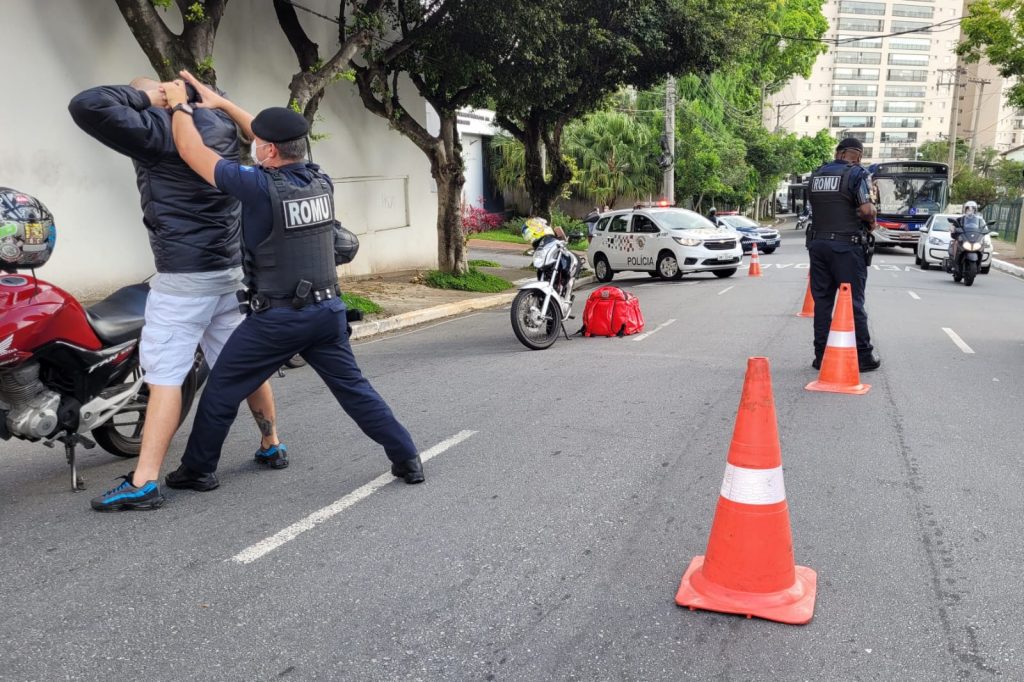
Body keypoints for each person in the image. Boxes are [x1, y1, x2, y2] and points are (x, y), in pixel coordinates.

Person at [159, 70, 423, 494]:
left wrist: (177, 104)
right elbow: (266, 137)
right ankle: (406, 456)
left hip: (279, 318)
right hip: (327, 312)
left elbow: (192, 152)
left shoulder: (258, 186)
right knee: (355, 391)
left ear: (266, 151)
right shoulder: (319, 179)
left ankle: (197, 470)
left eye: (259, 145)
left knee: (222, 390)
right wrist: (223, 103)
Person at [69, 78, 284, 513]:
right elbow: (262, 135)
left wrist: (153, 98)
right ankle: (271, 444)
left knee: (165, 375)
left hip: (183, 279)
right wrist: (211, 100)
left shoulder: (156, 128)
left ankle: (144, 481)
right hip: (228, 272)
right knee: (240, 362)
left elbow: (87, 104)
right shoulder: (221, 126)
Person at [805, 137, 881, 372]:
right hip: (846, 246)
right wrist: (872, 222)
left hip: (818, 245)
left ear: (837, 153)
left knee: (823, 303)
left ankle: (821, 356)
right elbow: (867, 209)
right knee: (852, 301)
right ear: (856, 155)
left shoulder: (816, 175)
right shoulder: (856, 174)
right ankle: (863, 356)